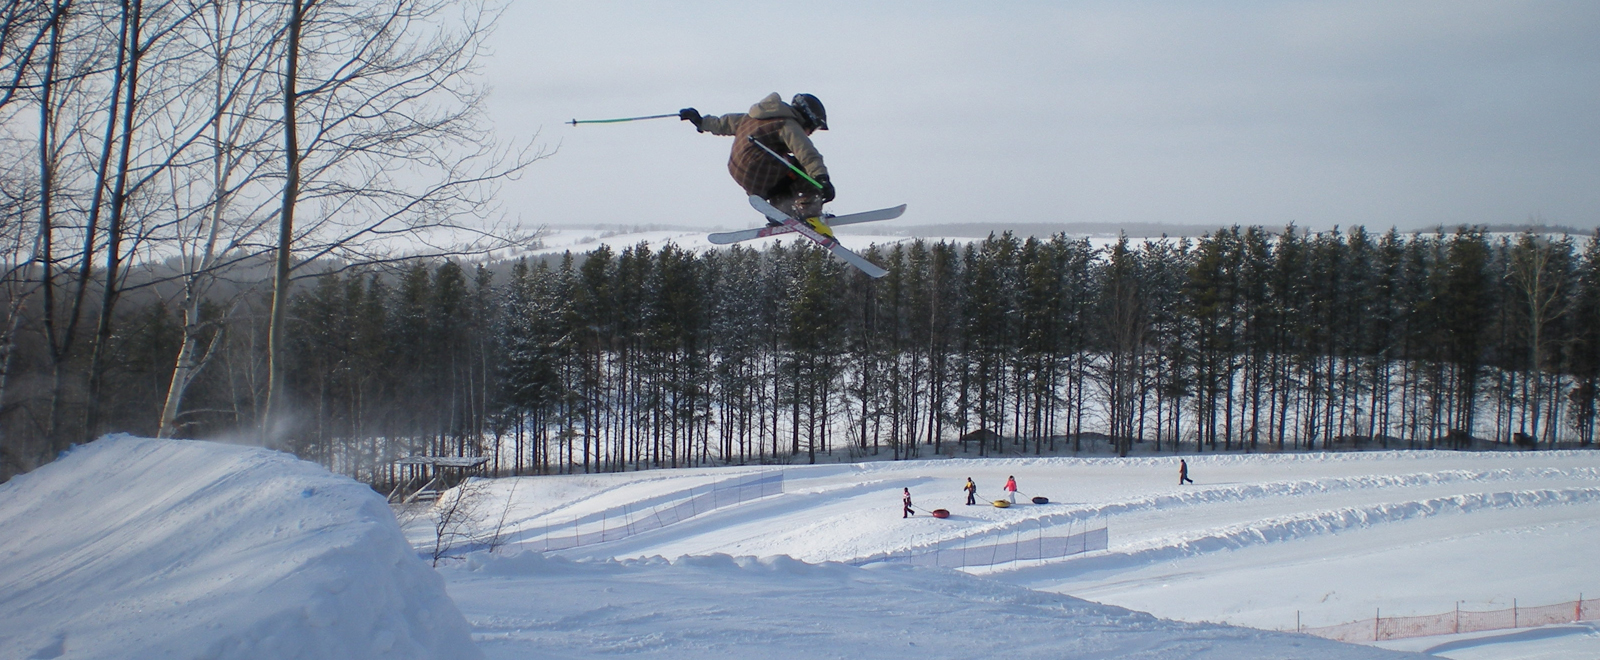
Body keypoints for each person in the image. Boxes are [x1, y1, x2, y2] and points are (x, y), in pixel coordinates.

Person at [679, 93, 834, 225]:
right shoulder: (788, 124)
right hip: (761, 167)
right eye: (813, 128)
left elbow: (724, 123)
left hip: (741, 172)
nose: (810, 133)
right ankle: (811, 214)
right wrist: (822, 179)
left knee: (786, 177)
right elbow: (807, 153)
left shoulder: (752, 117)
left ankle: (781, 210)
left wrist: (701, 122)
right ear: (806, 118)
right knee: (801, 169)